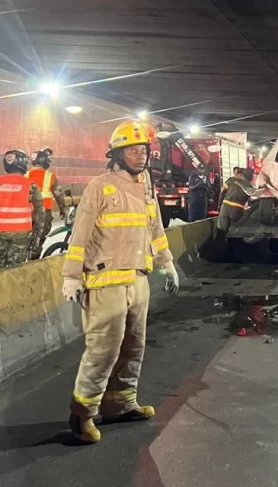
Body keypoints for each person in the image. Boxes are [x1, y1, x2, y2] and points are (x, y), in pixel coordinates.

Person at [61, 120, 179, 444]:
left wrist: (167, 263)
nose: (141, 155)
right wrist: (71, 277)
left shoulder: (147, 187)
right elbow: (80, 235)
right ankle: (82, 414)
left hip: (138, 282)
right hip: (105, 283)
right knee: (103, 350)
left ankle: (121, 403)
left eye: (144, 150)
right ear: (117, 153)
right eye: (133, 149)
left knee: (133, 347)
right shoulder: (100, 186)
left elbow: (156, 230)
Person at [0, 150, 44, 267]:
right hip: (21, 235)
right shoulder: (31, 185)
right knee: (15, 270)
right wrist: (38, 235)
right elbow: (40, 212)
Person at [27, 147, 66, 259]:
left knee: (26, 240)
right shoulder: (50, 176)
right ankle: (33, 262)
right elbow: (58, 194)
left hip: (27, 213)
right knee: (38, 240)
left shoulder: (25, 174)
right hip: (44, 214)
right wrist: (62, 210)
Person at [217, 167, 255, 233]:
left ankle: (220, 242)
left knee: (221, 230)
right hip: (237, 210)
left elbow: (222, 193)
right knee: (233, 232)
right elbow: (252, 201)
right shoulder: (249, 186)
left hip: (225, 208)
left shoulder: (231, 180)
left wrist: (219, 206)